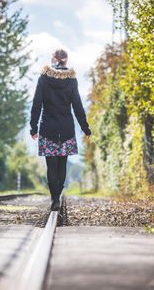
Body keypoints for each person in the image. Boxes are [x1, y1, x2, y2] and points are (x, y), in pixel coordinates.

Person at [30, 49, 91, 211]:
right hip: (66, 129)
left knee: (51, 165)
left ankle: (55, 199)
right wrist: (85, 128)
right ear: (65, 60)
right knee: (62, 164)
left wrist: (33, 127)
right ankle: (57, 196)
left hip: (47, 128)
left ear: (54, 59)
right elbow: (77, 105)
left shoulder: (43, 78)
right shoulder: (72, 80)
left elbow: (37, 103)